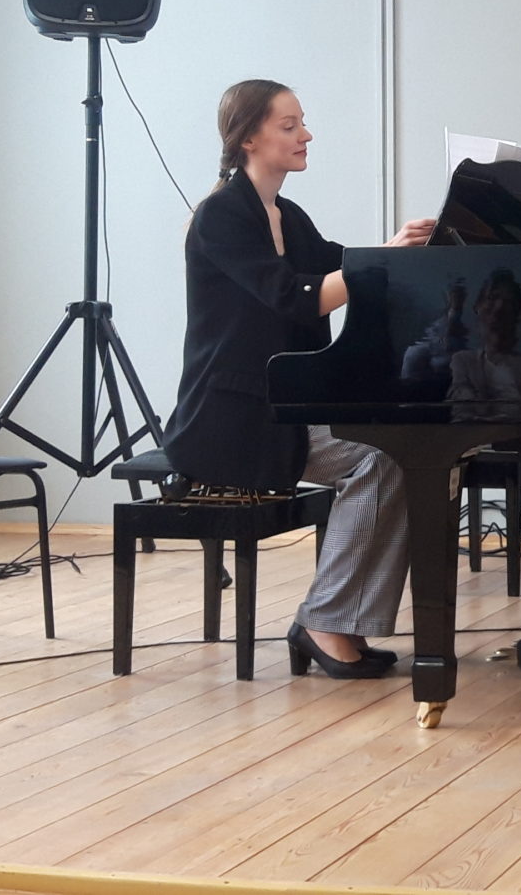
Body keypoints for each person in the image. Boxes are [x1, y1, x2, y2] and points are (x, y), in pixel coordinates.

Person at [160, 79, 436, 679]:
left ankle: (338, 620)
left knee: (400, 452)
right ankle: (326, 623)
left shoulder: (288, 216)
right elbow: (295, 296)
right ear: (249, 138)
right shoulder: (222, 216)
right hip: (231, 418)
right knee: (385, 455)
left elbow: (341, 264)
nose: (305, 135)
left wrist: (400, 252)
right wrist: (384, 261)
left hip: (281, 406)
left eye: (302, 123)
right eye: (289, 126)